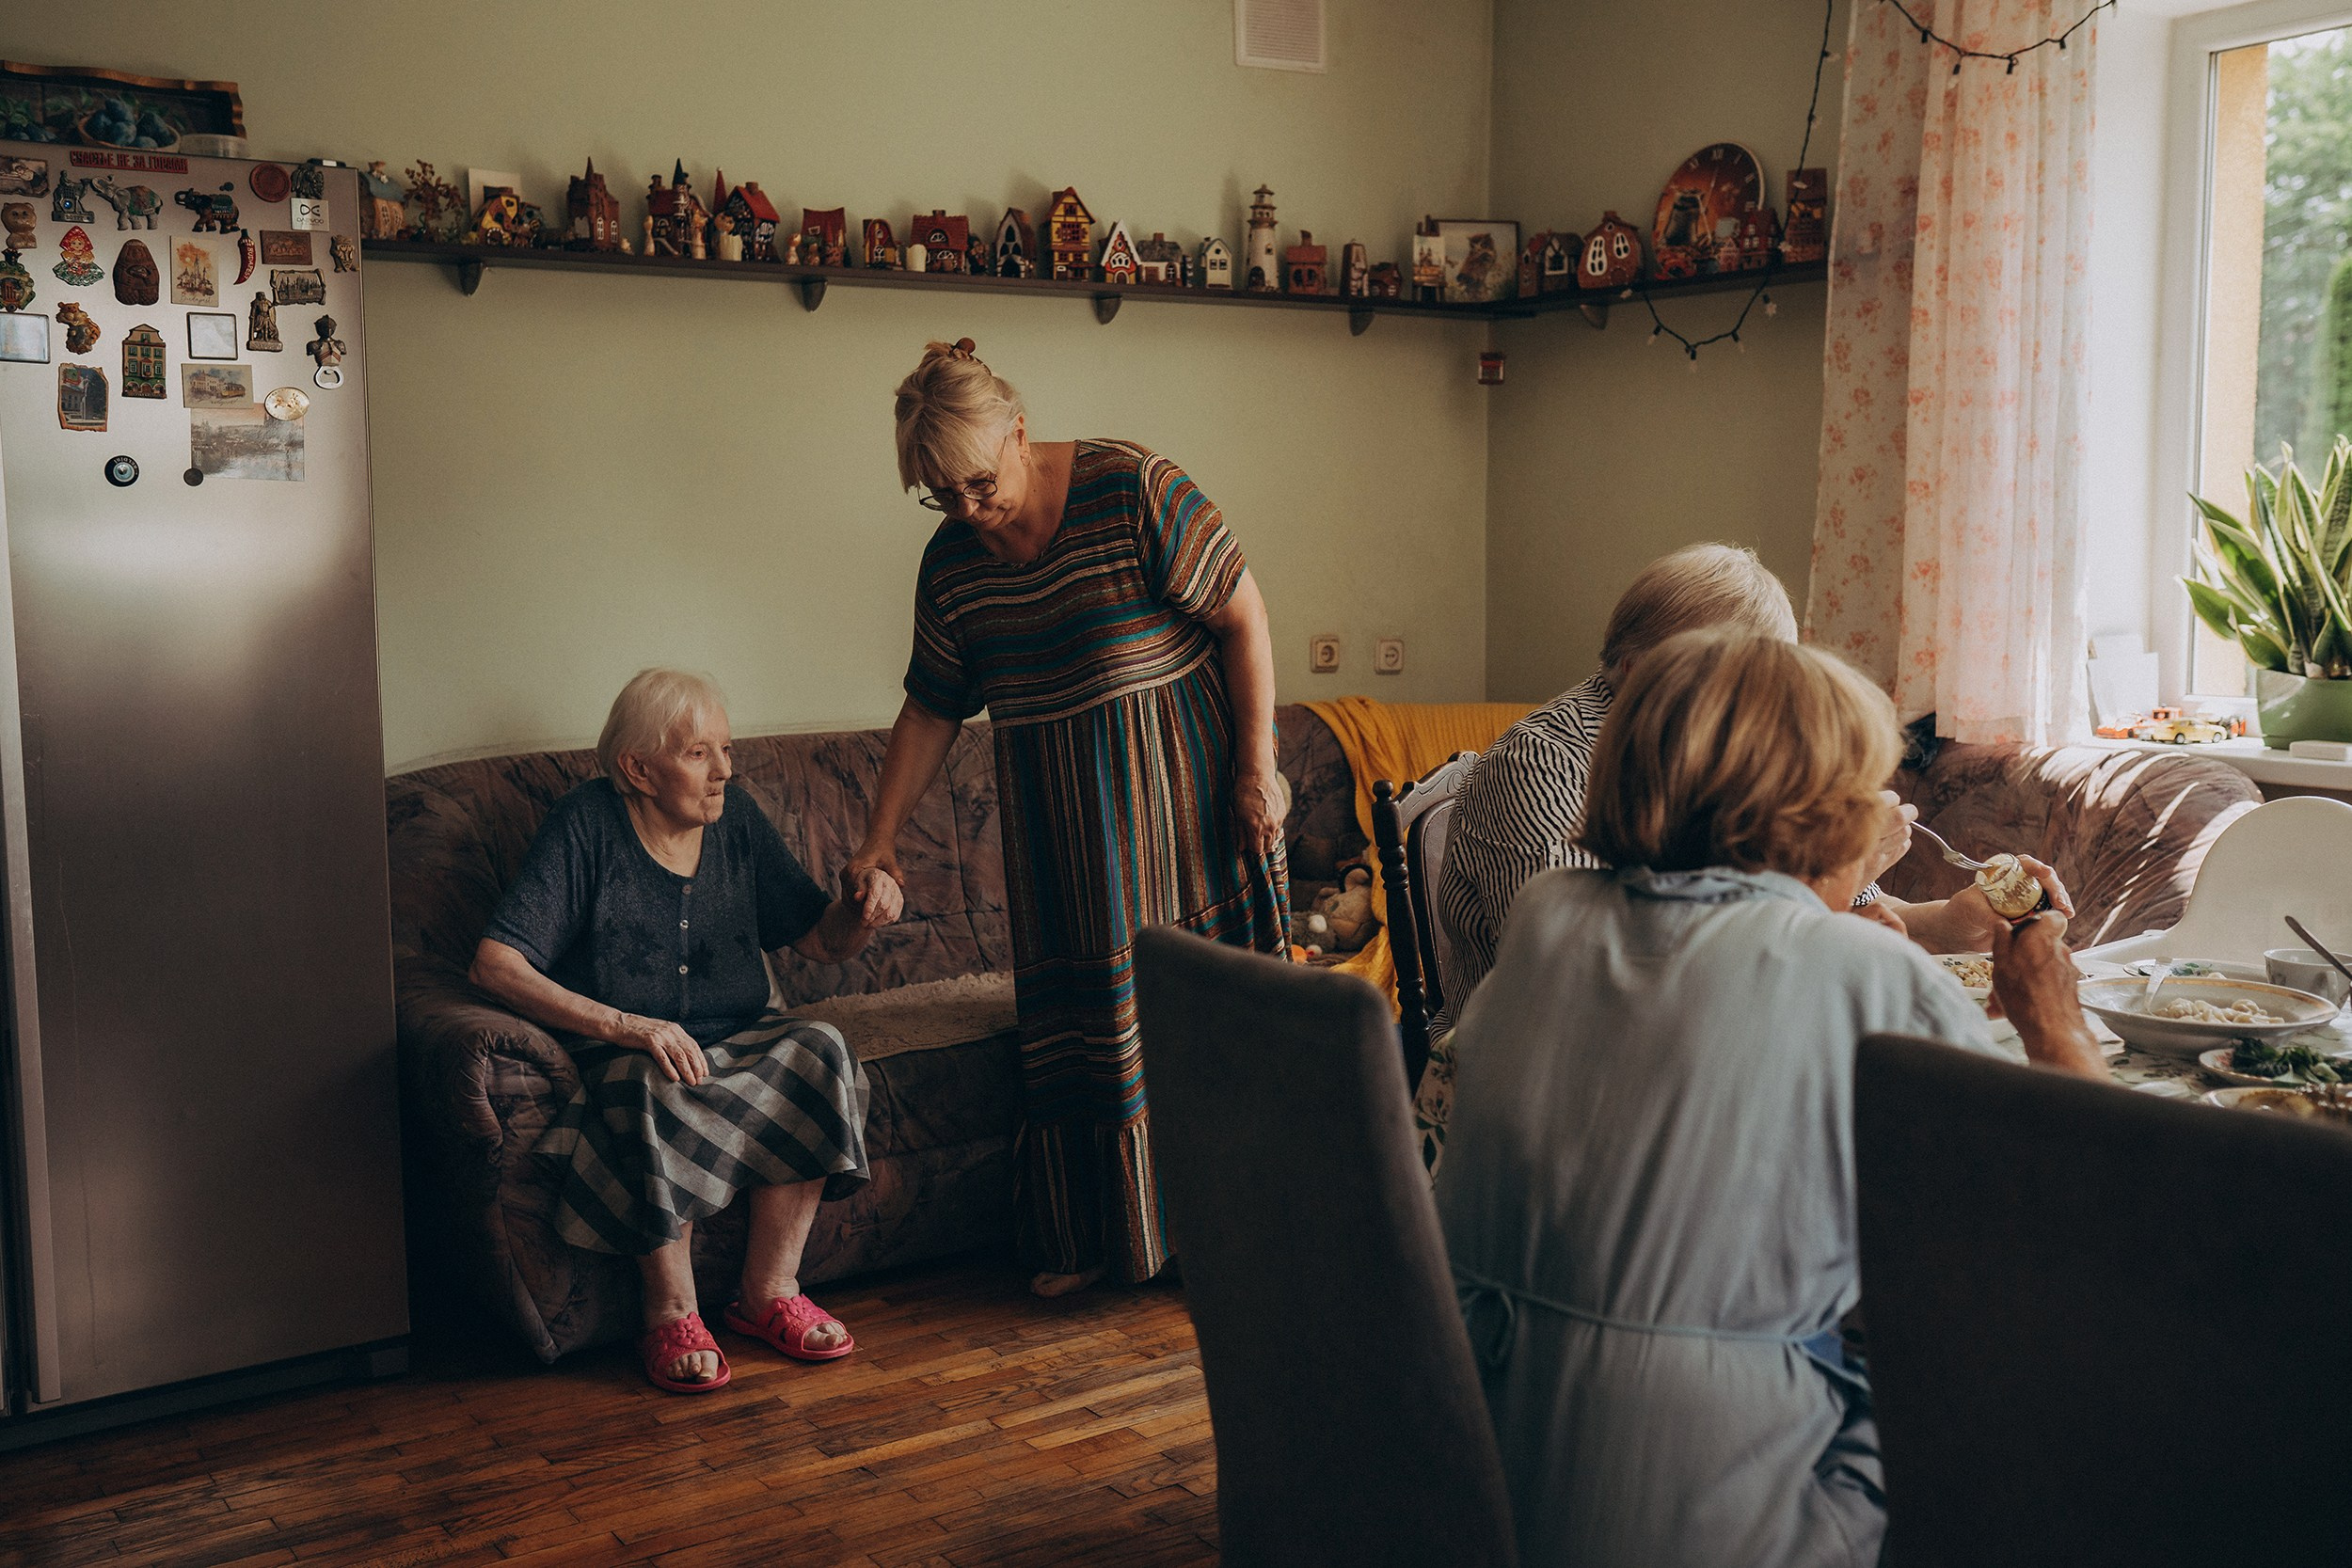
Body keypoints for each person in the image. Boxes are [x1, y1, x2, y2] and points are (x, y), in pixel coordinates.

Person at [1435, 629, 2107, 1568]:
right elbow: (2088, 1223)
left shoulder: (1550, 920)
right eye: (1868, 787)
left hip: (1469, 1463)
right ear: (1815, 808)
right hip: (1690, 1500)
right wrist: (2054, 1025)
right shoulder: (1862, 975)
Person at [850, 339, 1288, 1297]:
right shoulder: (954, 565)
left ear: (1018, 429)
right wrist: (879, 836)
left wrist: (1257, 766)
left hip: (1187, 813)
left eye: (977, 481)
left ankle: (1238, 1228)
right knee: (1087, 1026)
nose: (967, 508)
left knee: (1207, 1016)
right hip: (1063, 838)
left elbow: (1243, 616)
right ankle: (1106, 1235)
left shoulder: (1132, 489)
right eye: (940, 494)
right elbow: (932, 704)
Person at [1417, 543, 2070, 1166]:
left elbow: (1756, 918)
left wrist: (1943, 922)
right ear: (1653, 686)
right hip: (1581, 1097)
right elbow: (1626, 976)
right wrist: (2049, 1027)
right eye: (1754, 696)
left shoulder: (1699, 816)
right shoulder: (1551, 777)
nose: (1775, 722)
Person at [470, 668, 900, 1392]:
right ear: (637, 768)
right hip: (624, 1055)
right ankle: (670, 1310)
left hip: (736, 1036)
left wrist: (860, 913)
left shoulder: (736, 824)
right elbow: (494, 965)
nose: (726, 770)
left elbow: (820, 941)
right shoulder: (587, 826)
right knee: (653, 1078)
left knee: (819, 1047)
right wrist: (629, 1024)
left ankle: (771, 1291)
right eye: (701, 753)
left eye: (725, 750)